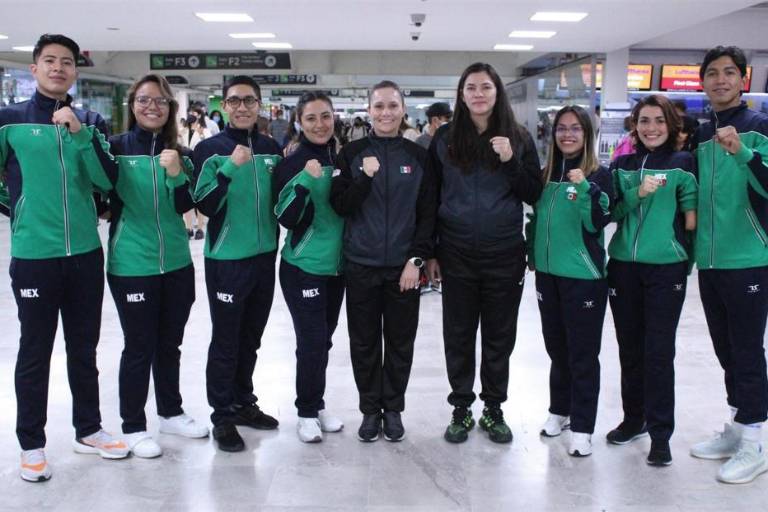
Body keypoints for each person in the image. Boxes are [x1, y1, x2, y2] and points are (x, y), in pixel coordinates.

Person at [0, 33, 130, 483]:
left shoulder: (90, 120)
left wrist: (77, 133)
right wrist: (20, 211)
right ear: (34, 68)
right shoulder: (9, 120)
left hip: (84, 256)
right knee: (34, 351)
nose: (59, 68)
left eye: (67, 62)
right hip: (35, 254)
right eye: (50, 60)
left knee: (84, 346)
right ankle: (31, 444)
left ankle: (88, 428)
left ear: (75, 71)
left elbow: (104, 178)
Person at [427, 62, 543, 444]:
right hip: (456, 252)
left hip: (503, 253)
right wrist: (429, 252)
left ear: (497, 93)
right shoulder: (445, 139)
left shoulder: (520, 138)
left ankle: (493, 408)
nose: (478, 94)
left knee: (499, 335)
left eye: (486, 88)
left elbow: (532, 192)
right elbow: (429, 199)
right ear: (461, 95)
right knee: (458, 335)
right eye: (471, 88)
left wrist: (510, 160)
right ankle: (461, 408)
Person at [95, 75, 209, 458]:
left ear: (170, 108)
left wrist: (177, 172)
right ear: (132, 105)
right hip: (132, 263)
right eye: (144, 100)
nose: (151, 107)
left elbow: (186, 206)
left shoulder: (183, 154)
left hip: (177, 262)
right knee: (139, 345)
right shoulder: (114, 149)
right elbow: (97, 197)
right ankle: (132, 425)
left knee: (170, 344)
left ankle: (171, 412)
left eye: (160, 101)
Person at [331, 80, 435, 443]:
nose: (386, 113)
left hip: (404, 269)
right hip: (361, 263)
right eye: (379, 106)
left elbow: (428, 214)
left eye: (392, 106)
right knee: (363, 342)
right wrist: (364, 176)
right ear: (369, 110)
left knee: (400, 341)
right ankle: (369, 411)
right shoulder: (352, 153)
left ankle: (393, 410)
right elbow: (341, 204)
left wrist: (417, 260)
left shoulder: (418, 156)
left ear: (403, 110)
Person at [605, 95, 697, 467]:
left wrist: (684, 262)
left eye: (659, 120)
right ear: (634, 125)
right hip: (624, 265)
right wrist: (636, 193)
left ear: (671, 124)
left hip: (666, 269)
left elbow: (691, 219)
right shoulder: (622, 164)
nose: (651, 128)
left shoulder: (683, 163)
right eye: (644, 120)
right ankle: (634, 418)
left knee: (658, 352)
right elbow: (612, 212)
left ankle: (661, 434)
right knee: (630, 348)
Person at [690, 45, 768, 484]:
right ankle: (738, 426)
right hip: (712, 260)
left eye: (729, 73)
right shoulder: (701, 134)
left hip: (749, 258)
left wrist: (742, 152)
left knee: (746, 348)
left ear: (743, 79)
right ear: (703, 82)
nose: (720, 80)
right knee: (725, 349)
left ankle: (755, 443)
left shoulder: (760, 127)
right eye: (713, 74)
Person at [193, 76, 282, 452]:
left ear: (259, 104)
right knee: (226, 340)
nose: (242, 107)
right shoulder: (210, 149)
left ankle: (244, 402)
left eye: (249, 100)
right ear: (224, 106)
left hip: (265, 257)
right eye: (234, 101)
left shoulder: (271, 147)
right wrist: (228, 168)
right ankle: (222, 416)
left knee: (252, 337)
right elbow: (204, 206)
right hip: (227, 259)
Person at [527, 105, 612, 457]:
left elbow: (596, 223)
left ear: (587, 134)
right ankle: (559, 410)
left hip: (583, 277)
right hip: (548, 275)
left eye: (576, 128)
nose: (568, 134)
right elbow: (534, 220)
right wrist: (533, 255)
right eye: (562, 128)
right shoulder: (545, 174)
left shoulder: (599, 175)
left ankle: (583, 425)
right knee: (556, 348)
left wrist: (586, 190)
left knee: (582, 354)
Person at [273, 92, 345, 443]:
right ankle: (305, 412)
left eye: (326, 116)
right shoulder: (291, 163)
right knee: (312, 340)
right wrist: (303, 181)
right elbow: (285, 217)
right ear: (299, 122)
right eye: (312, 118)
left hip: (337, 268)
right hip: (303, 266)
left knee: (324, 341)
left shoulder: (342, 155)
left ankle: (316, 404)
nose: (320, 124)